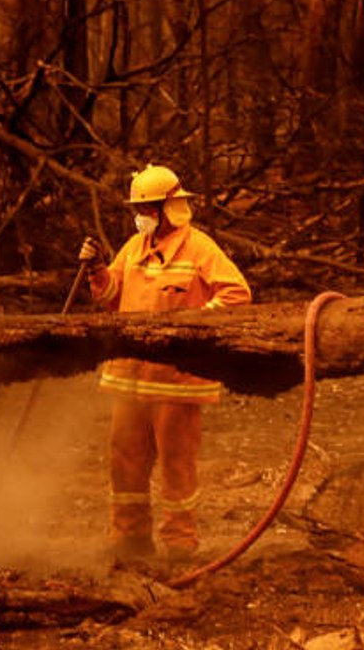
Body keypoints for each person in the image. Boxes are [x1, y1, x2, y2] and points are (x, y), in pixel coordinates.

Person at [78, 164, 252, 562]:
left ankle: (179, 545)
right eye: (138, 209)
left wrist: (192, 326)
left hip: (176, 381)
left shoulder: (199, 248)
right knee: (124, 460)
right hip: (129, 376)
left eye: (147, 208)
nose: (141, 216)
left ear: (168, 208)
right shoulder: (134, 247)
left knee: (176, 465)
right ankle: (130, 538)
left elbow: (236, 294)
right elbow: (110, 296)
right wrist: (97, 269)